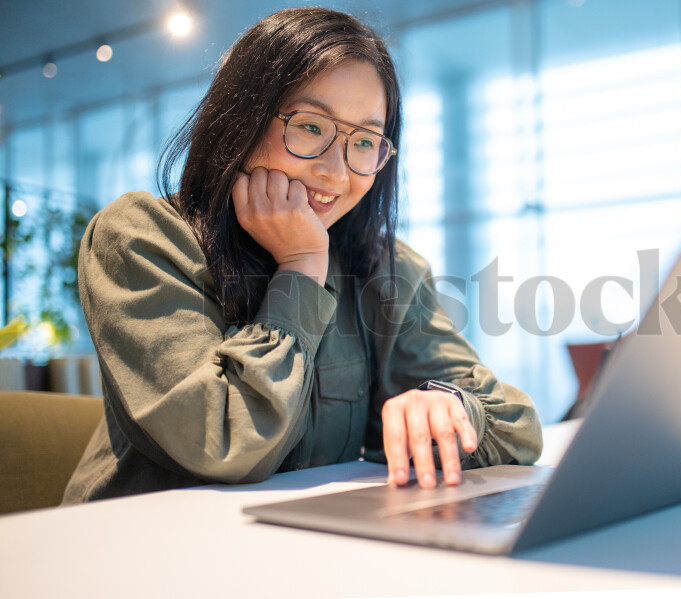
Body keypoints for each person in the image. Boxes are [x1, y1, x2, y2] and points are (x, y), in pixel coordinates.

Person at [63, 7, 541, 503]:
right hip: (140, 552)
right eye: (311, 127)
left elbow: (519, 427)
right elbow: (224, 445)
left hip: (299, 551)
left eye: (363, 141)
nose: (336, 173)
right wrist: (301, 267)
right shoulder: (143, 236)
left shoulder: (382, 266)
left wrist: (448, 406)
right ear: (242, 118)